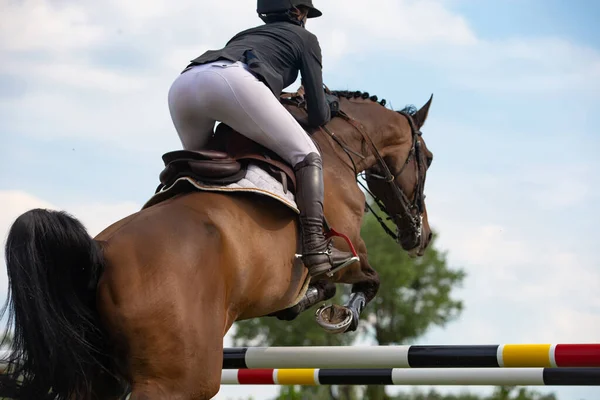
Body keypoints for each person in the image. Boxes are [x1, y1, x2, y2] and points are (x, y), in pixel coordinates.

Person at [167, 0, 357, 278]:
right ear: (299, 12)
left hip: (184, 84)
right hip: (230, 82)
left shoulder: (245, 34)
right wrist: (330, 105)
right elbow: (317, 115)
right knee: (307, 155)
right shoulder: (306, 38)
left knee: (199, 170)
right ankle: (316, 246)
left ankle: (172, 220)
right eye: (305, 12)